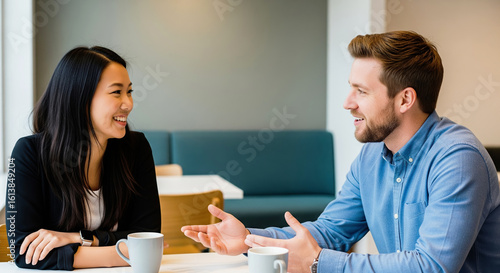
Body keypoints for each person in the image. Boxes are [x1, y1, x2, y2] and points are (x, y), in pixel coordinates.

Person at [182, 31, 500, 273]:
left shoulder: (457, 159)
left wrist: (319, 261)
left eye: (361, 91)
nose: (347, 102)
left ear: (405, 100)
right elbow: (332, 230)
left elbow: (430, 267)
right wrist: (249, 239)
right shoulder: (372, 156)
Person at [5, 46, 161, 270]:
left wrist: (76, 238)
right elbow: (24, 252)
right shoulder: (29, 154)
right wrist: (122, 252)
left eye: (129, 91)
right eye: (117, 92)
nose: (128, 103)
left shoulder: (136, 148)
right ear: (80, 98)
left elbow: (149, 239)